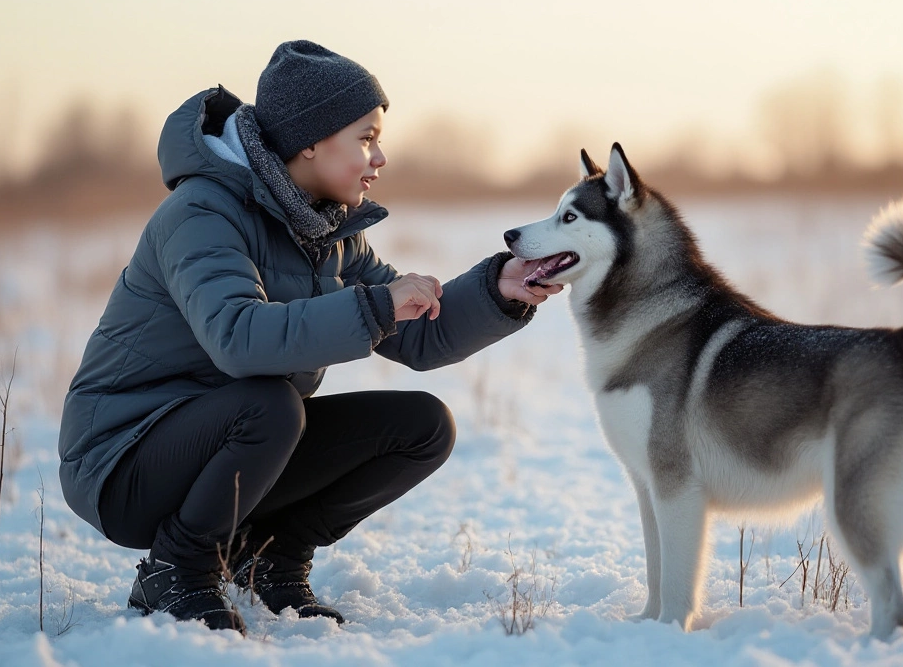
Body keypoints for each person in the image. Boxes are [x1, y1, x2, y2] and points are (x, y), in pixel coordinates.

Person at [57, 40, 560, 634]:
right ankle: (176, 571)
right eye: (366, 138)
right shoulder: (202, 214)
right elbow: (238, 339)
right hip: (124, 460)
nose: (380, 157)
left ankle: (270, 557)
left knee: (421, 428)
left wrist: (498, 289)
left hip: (235, 440)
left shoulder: (330, 230)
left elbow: (421, 336)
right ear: (311, 143)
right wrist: (375, 306)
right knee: (271, 406)